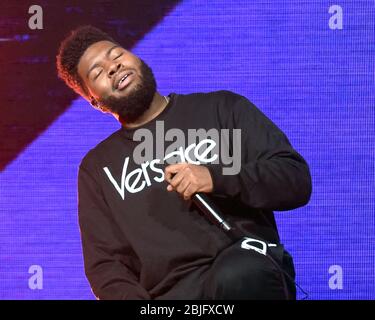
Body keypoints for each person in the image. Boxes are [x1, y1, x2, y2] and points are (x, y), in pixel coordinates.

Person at [56, 25, 312, 300]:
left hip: (246, 273)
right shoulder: (98, 169)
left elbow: (294, 179)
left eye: (116, 54)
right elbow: (106, 267)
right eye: (97, 72)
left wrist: (216, 178)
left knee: (238, 273)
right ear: (97, 103)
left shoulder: (222, 109)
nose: (113, 67)